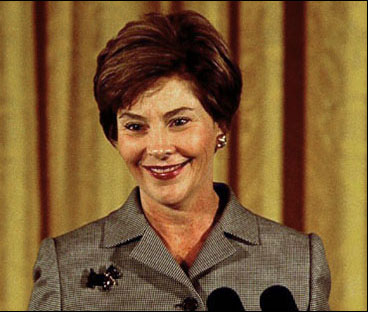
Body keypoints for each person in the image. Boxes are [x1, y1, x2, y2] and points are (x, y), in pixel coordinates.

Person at [28, 11, 331, 311]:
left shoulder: (298, 261)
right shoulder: (65, 265)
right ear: (114, 137)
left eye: (179, 121)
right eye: (135, 127)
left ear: (220, 125)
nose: (159, 148)